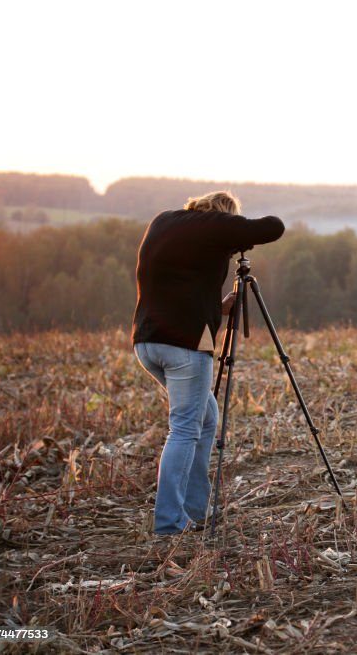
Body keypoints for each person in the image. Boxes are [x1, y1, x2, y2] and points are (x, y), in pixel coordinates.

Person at [132, 191, 284, 535]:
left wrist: (218, 307)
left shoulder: (164, 221)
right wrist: (235, 228)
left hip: (147, 342)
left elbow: (177, 285)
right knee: (185, 427)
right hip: (185, 345)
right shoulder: (215, 225)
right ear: (224, 215)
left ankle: (195, 510)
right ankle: (170, 522)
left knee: (204, 416)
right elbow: (274, 227)